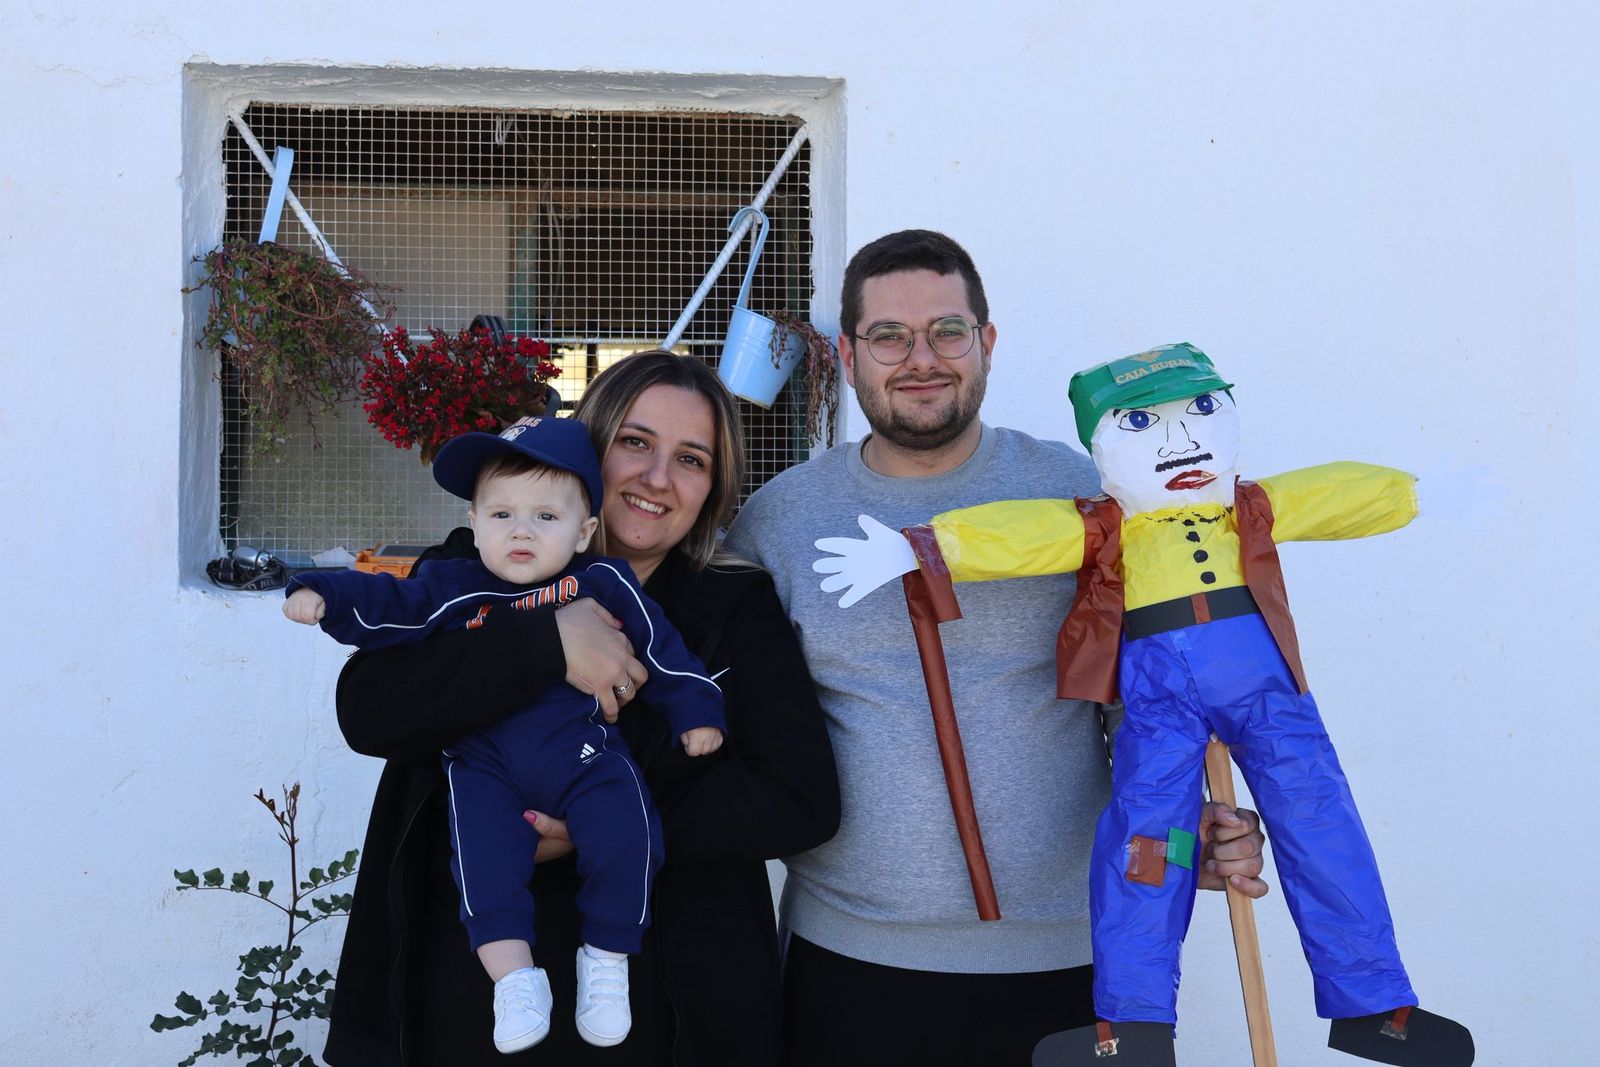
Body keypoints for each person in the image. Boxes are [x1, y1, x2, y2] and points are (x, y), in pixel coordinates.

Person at [810, 342, 1473, 1064]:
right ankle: (1133, 1024)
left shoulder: (1248, 507)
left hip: (1270, 695)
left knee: (1322, 824)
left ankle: (1375, 1004)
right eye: (1141, 423)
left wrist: (1412, 493)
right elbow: (1022, 535)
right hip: (1161, 703)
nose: (1182, 439)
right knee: (1149, 844)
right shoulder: (1103, 526)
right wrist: (923, 547)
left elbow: (1326, 493)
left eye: (1199, 410)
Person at [722, 230, 1268, 1065]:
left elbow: (1147, 702)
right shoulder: (781, 520)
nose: (920, 359)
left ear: (987, 341)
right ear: (848, 352)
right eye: (888, 337)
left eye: (947, 330)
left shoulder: (1082, 496)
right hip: (852, 961)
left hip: (1076, 950)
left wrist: (1184, 829)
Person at [323, 351, 840, 1066]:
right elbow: (368, 710)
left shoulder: (735, 607)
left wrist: (605, 811)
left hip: (670, 996)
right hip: (469, 988)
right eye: (635, 442)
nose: (657, 478)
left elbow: (798, 798)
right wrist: (541, 642)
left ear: (714, 488)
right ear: (591, 449)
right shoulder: (477, 565)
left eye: (691, 458)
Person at [285, 415, 727, 1054]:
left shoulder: (602, 583)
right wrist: (321, 591)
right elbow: (388, 604)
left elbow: (662, 649)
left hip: (585, 755)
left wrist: (696, 709)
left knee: (627, 828)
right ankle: (514, 981)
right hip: (484, 766)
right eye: (502, 515)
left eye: (546, 517)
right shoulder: (455, 583)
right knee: (482, 863)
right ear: (475, 520)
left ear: (585, 531)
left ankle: (605, 959)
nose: (521, 529)